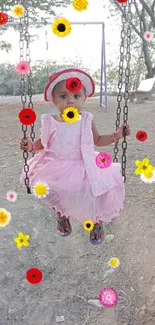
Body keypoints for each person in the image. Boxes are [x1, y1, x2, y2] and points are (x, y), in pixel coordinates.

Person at [20, 67, 131, 244]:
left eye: (76, 96)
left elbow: (98, 139)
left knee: (96, 191)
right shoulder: (50, 121)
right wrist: (32, 146)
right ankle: (62, 214)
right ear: (54, 100)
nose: (70, 101)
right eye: (64, 96)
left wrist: (117, 136)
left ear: (84, 99)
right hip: (56, 165)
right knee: (53, 188)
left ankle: (96, 221)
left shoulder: (86, 119)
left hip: (84, 163)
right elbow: (44, 143)